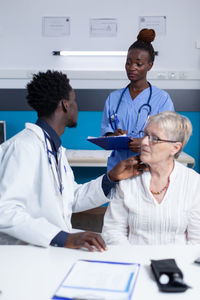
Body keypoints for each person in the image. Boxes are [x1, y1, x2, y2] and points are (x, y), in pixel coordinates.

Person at [0, 70, 145, 251]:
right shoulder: (23, 147)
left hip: (50, 248)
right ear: (65, 105)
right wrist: (63, 238)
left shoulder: (54, 149)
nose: (77, 106)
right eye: (74, 100)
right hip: (24, 252)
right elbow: (5, 211)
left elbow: (72, 198)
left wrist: (111, 178)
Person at [102, 111, 200, 245]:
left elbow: (197, 241)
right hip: (133, 261)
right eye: (145, 135)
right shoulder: (128, 178)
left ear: (175, 148)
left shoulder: (193, 183)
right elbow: (113, 232)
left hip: (177, 263)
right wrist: (133, 260)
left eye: (155, 138)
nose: (144, 142)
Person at [101, 28, 174, 171]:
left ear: (149, 66)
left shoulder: (162, 99)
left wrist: (146, 143)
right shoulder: (114, 98)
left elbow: (169, 138)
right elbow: (106, 133)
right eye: (128, 63)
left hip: (148, 169)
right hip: (118, 169)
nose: (132, 68)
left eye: (138, 64)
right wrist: (114, 136)